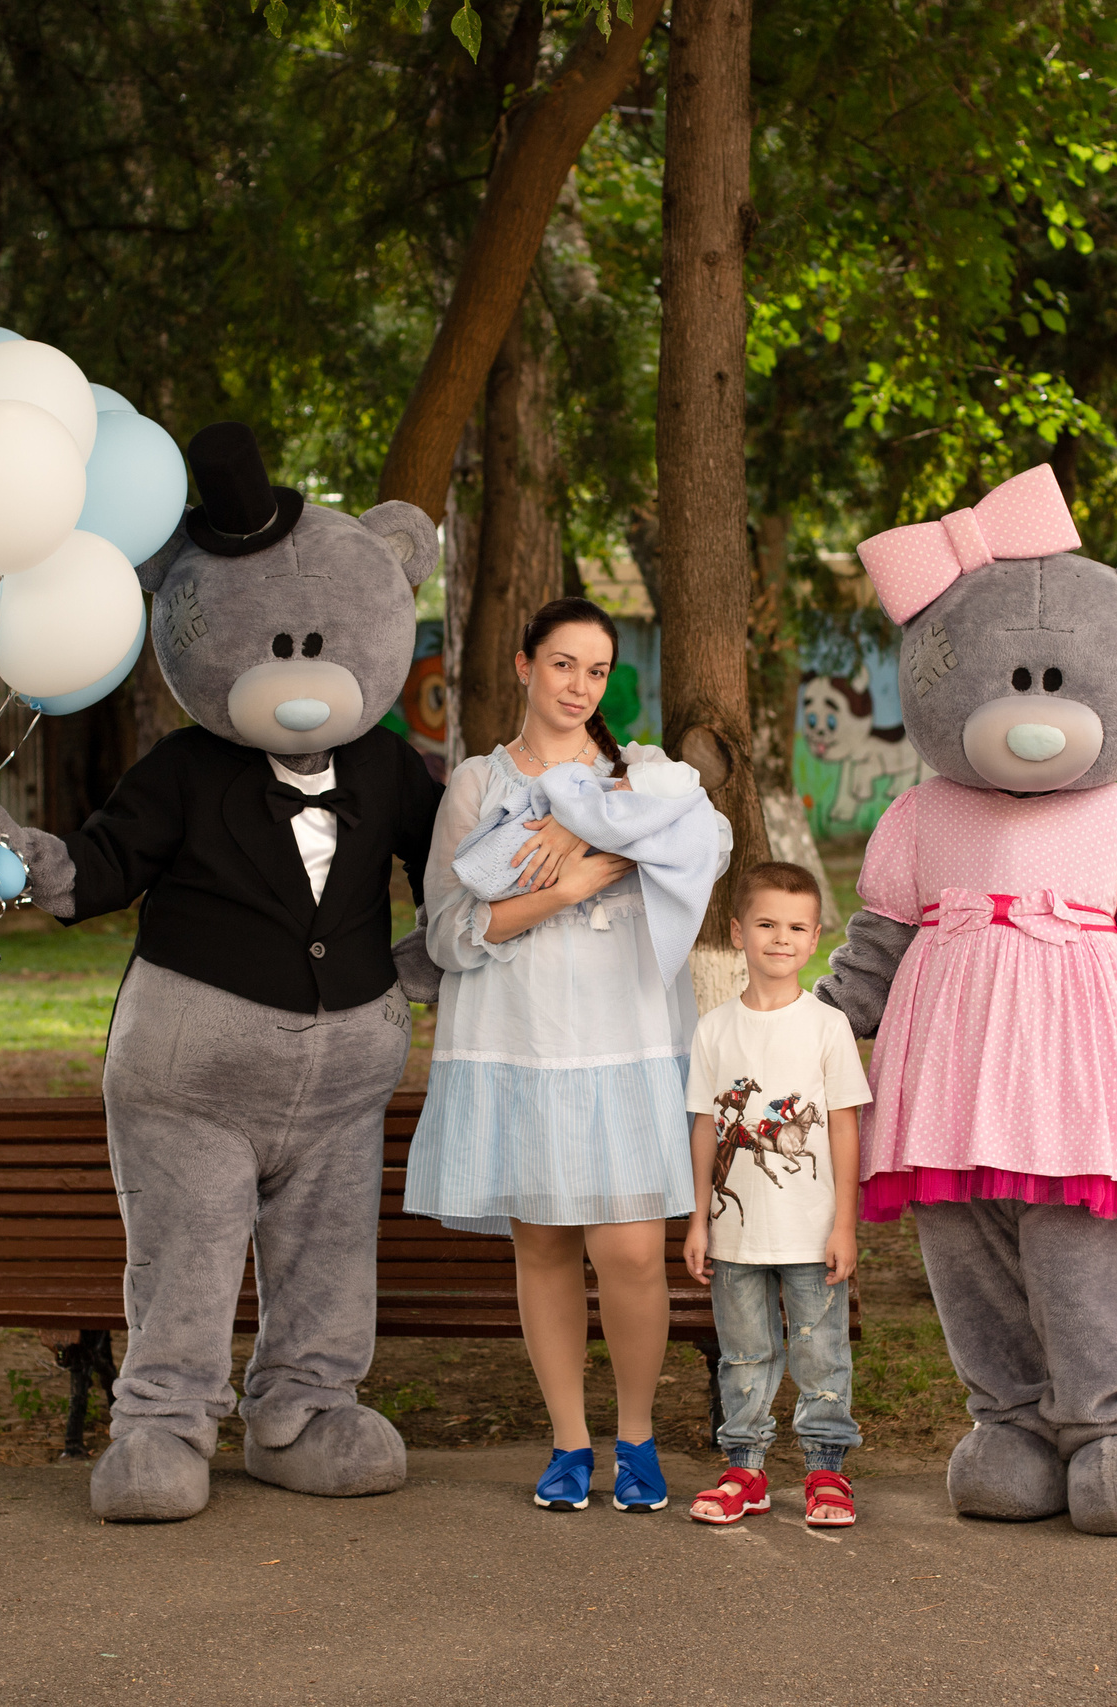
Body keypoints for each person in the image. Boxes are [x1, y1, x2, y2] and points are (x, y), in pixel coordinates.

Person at [403, 596, 722, 1515]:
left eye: (596, 670)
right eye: (561, 665)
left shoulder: (649, 777)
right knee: (541, 1248)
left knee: (628, 1253)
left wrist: (586, 827)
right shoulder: (475, 784)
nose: (580, 686)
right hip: (522, 1043)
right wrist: (571, 882)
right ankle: (569, 1444)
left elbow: (705, 845)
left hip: (624, 1043)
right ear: (522, 666)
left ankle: (638, 1437)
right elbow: (453, 933)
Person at [681, 861, 871, 1528]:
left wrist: (844, 1222)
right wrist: (699, 1218)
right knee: (744, 1354)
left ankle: (826, 1470)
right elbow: (706, 1127)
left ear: (815, 936)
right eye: (766, 923)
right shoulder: (713, 1030)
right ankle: (745, 1470)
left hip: (812, 1231)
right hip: (735, 1235)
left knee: (822, 1351)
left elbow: (845, 1127)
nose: (780, 937)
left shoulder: (826, 1027)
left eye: (795, 926)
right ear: (738, 931)